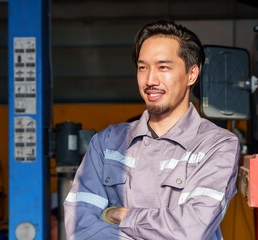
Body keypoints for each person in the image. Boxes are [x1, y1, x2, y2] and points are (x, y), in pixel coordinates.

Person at [64, 20, 240, 240]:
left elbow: (191, 231)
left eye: (163, 67)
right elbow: (79, 229)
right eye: (142, 67)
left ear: (192, 74)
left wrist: (122, 215)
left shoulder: (217, 145)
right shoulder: (107, 143)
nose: (149, 80)